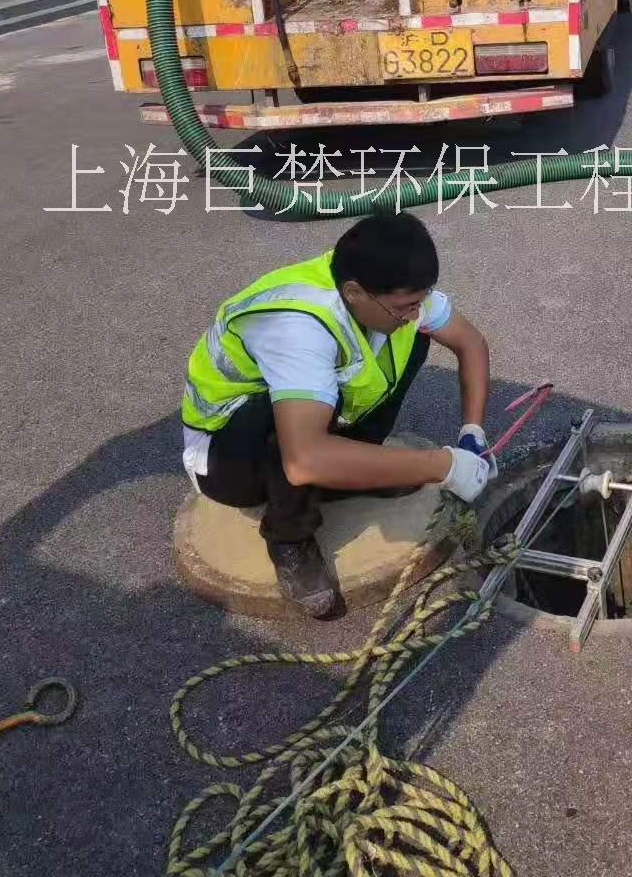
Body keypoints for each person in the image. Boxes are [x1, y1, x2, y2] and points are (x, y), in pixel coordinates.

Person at [180, 212, 494, 618]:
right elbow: (304, 457)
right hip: (226, 455)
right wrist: (444, 465)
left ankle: (348, 474)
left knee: (413, 340)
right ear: (353, 292)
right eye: (405, 306)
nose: (415, 313)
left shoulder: (386, 288)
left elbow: (471, 344)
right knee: (298, 430)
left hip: (300, 427)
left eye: (419, 301)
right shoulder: (297, 325)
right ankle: (289, 538)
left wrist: (473, 432)